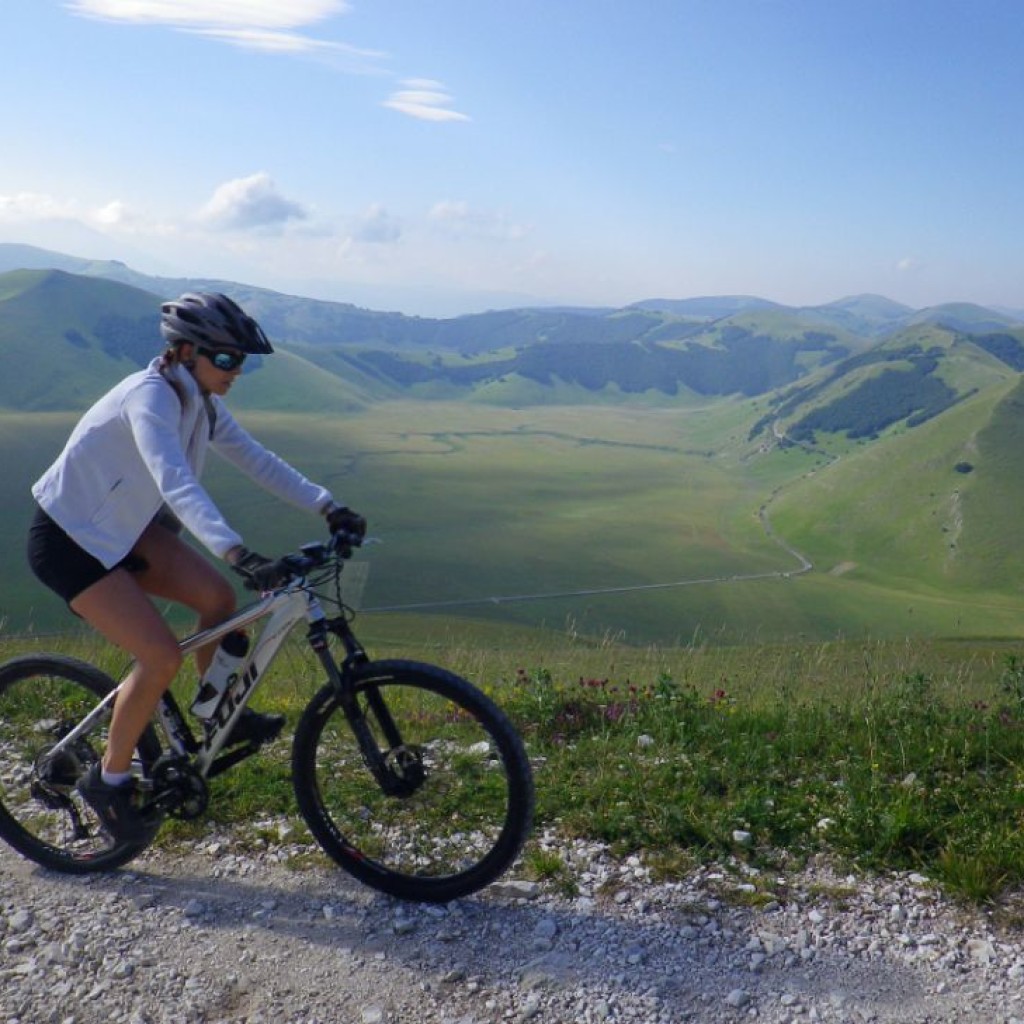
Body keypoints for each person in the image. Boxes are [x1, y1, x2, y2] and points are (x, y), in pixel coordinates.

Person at [27, 292, 366, 844]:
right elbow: (174, 480)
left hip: (124, 530)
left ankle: (215, 717)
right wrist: (235, 550)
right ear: (186, 352)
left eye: (242, 361)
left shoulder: (200, 402)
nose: (237, 371)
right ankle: (108, 783)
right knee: (159, 654)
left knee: (218, 601)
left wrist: (328, 505)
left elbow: (258, 459)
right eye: (227, 359)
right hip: (68, 540)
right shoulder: (149, 400)